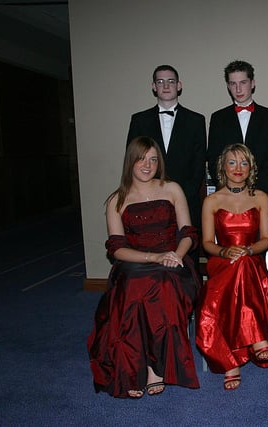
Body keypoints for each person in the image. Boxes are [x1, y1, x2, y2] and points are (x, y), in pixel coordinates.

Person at [88, 136, 201, 399]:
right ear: (131, 161)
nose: (147, 165)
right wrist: (153, 257)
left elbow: (188, 233)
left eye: (153, 159)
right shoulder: (117, 199)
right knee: (133, 288)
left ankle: (154, 367)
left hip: (175, 262)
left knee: (161, 285)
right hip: (136, 263)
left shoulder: (172, 189)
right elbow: (117, 248)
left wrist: (175, 255)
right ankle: (136, 368)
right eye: (142, 158)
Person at [195, 144, 268, 391]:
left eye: (244, 163)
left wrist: (249, 250)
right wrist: (224, 251)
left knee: (243, 264)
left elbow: (266, 239)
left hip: (252, 259)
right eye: (232, 162)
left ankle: (231, 362)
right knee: (237, 265)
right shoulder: (212, 200)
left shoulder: (261, 197)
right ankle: (256, 339)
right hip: (221, 261)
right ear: (222, 167)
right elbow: (207, 243)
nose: (238, 168)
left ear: (251, 168)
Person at [207, 60, 268, 284]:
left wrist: (252, 193)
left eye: (243, 82)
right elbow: (214, 160)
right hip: (227, 200)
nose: (238, 89)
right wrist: (231, 194)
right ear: (228, 86)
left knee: (263, 253)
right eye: (233, 84)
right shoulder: (218, 118)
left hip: (259, 196)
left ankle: (267, 294)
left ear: (253, 83)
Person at [127, 64, 207, 234]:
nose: (165, 86)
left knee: (187, 251)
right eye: (160, 81)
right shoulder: (139, 120)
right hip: (148, 201)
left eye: (170, 81)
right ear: (153, 87)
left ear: (179, 85)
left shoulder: (196, 120)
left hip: (186, 199)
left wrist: (182, 196)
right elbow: (133, 160)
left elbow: (199, 164)